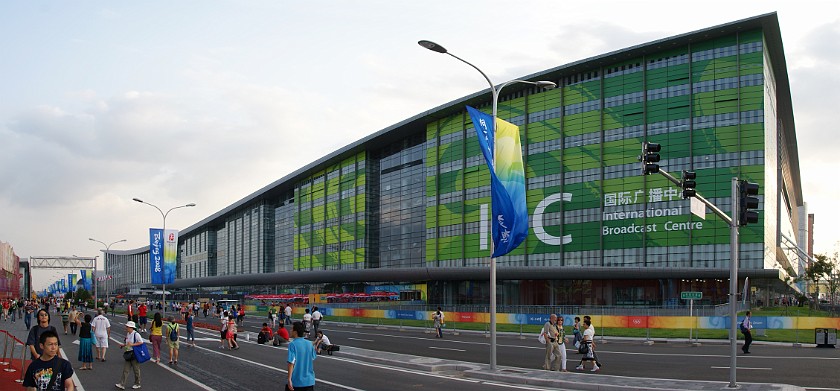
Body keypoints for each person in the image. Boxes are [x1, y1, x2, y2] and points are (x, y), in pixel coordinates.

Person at [286, 321, 316, 391]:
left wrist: (289, 379)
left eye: (292, 329)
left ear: (295, 332)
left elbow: (291, 363)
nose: (290, 331)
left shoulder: (292, 344)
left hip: (297, 381)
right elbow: (312, 357)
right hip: (309, 380)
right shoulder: (309, 344)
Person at [116, 321, 143, 390]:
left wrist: (132, 345)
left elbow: (141, 342)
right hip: (128, 353)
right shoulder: (128, 333)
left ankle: (137, 383)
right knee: (126, 370)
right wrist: (124, 345)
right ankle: (122, 384)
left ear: (131, 327)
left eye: (127, 327)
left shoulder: (136, 334)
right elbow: (128, 343)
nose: (126, 328)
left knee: (136, 370)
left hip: (134, 354)